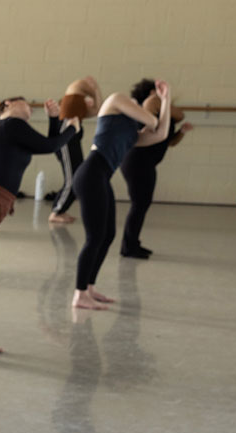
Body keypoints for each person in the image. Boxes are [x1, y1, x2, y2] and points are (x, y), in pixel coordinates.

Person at [0, 96, 79, 362]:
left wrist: (55, 120)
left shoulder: (12, 130)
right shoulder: (9, 125)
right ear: (8, 104)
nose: (31, 108)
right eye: (26, 104)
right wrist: (71, 128)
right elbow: (49, 144)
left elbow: (46, 144)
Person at [72, 80, 171, 310]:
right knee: (94, 237)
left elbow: (161, 133)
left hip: (101, 177)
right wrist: (155, 111)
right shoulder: (115, 100)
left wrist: (166, 98)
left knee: (107, 235)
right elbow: (155, 122)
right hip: (90, 174)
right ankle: (79, 295)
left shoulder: (131, 135)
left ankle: (89, 287)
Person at [119, 79, 192, 258]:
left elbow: (168, 141)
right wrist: (164, 98)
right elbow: (180, 114)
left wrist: (181, 132)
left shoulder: (157, 108)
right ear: (152, 91)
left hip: (142, 162)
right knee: (140, 204)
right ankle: (128, 247)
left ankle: (132, 244)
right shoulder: (153, 101)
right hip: (138, 161)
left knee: (141, 204)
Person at [49, 76, 102, 223]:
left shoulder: (78, 110)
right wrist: (94, 88)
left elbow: (97, 110)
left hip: (72, 142)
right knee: (72, 179)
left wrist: (95, 91)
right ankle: (56, 212)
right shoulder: (72, 98)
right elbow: (81, 87)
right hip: (66, 141)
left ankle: (61, 209)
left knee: (77, 177)